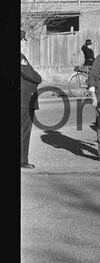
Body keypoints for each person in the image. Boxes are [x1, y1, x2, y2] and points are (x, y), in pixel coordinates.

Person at [21, 31, 42, 169]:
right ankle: (22, 160)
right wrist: (38, 77)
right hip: (24, 100)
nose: (22, 42)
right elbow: (33, 76)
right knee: (24, 131)